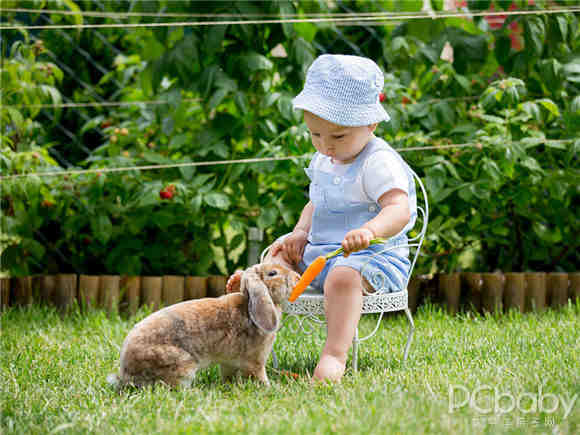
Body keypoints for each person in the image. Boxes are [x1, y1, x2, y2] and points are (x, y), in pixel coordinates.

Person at [228, 54, 417, 383]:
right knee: (278, 255)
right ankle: (255, 295)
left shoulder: (378, 162)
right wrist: (300, 232)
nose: (326, 146)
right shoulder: (325, 160)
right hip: (323, 253)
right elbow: (317, 203)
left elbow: (399, 209)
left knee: (343, 277)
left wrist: (368, 231)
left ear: (370, 123)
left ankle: (334, 356)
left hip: (371, 258)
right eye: (316, 135)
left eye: (338, 137)